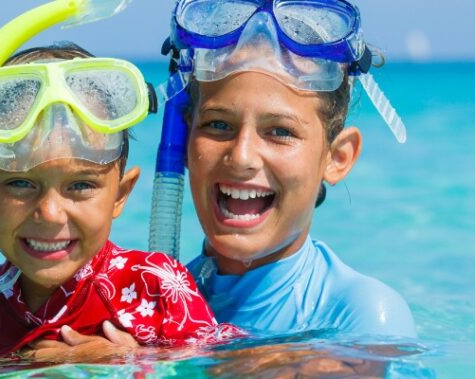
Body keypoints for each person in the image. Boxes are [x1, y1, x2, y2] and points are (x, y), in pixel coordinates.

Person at [24, 0, 417, 359]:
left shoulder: (364, 316)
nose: (242, 156)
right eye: (218, 125)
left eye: (280, 131)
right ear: (184, 137)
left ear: (337, 157)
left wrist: (142, 363)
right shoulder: (146, 295)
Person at [0, 43, 244, 360]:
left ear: (120, 194)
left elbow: (221, 363)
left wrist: (129, 361)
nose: (50, 214)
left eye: (80, 185)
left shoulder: (155, 285)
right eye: (20, 183)